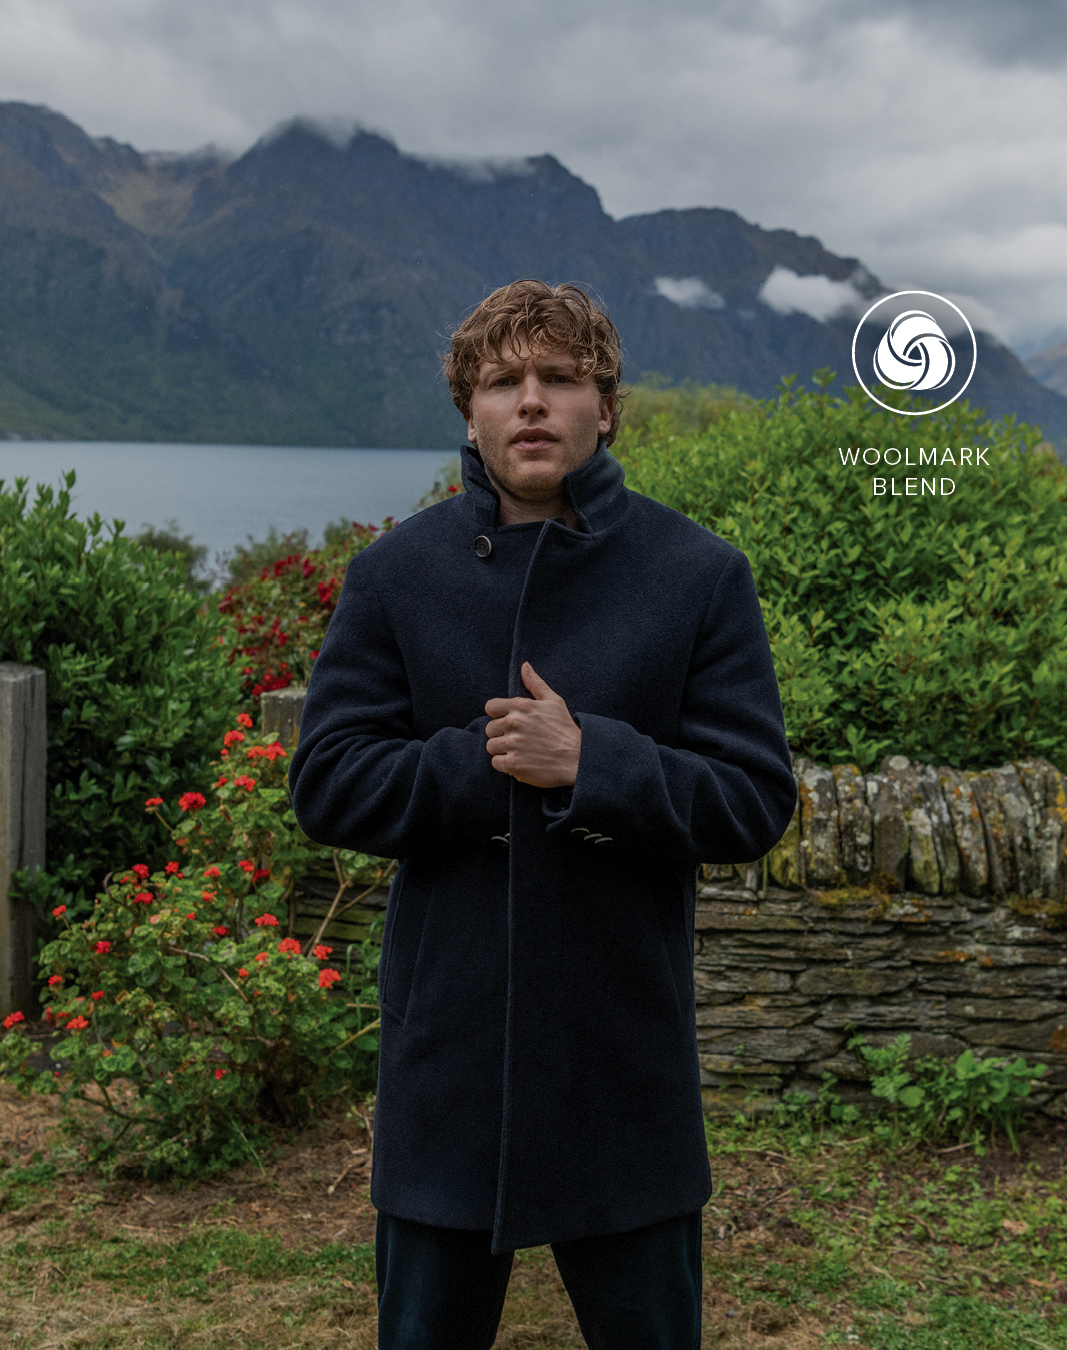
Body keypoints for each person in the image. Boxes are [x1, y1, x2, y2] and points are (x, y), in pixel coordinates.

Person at [288, 279, 798, 1349]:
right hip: (449, 1057)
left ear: (604, 405)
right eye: (502, 381)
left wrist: (590, 763)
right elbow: (327, 778)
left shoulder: (699, 576)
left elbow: (754, 800)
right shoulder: (393, 575)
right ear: (468, 411)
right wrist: (489, 764)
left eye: (560, 379)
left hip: (622, 1054)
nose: (532, 402)